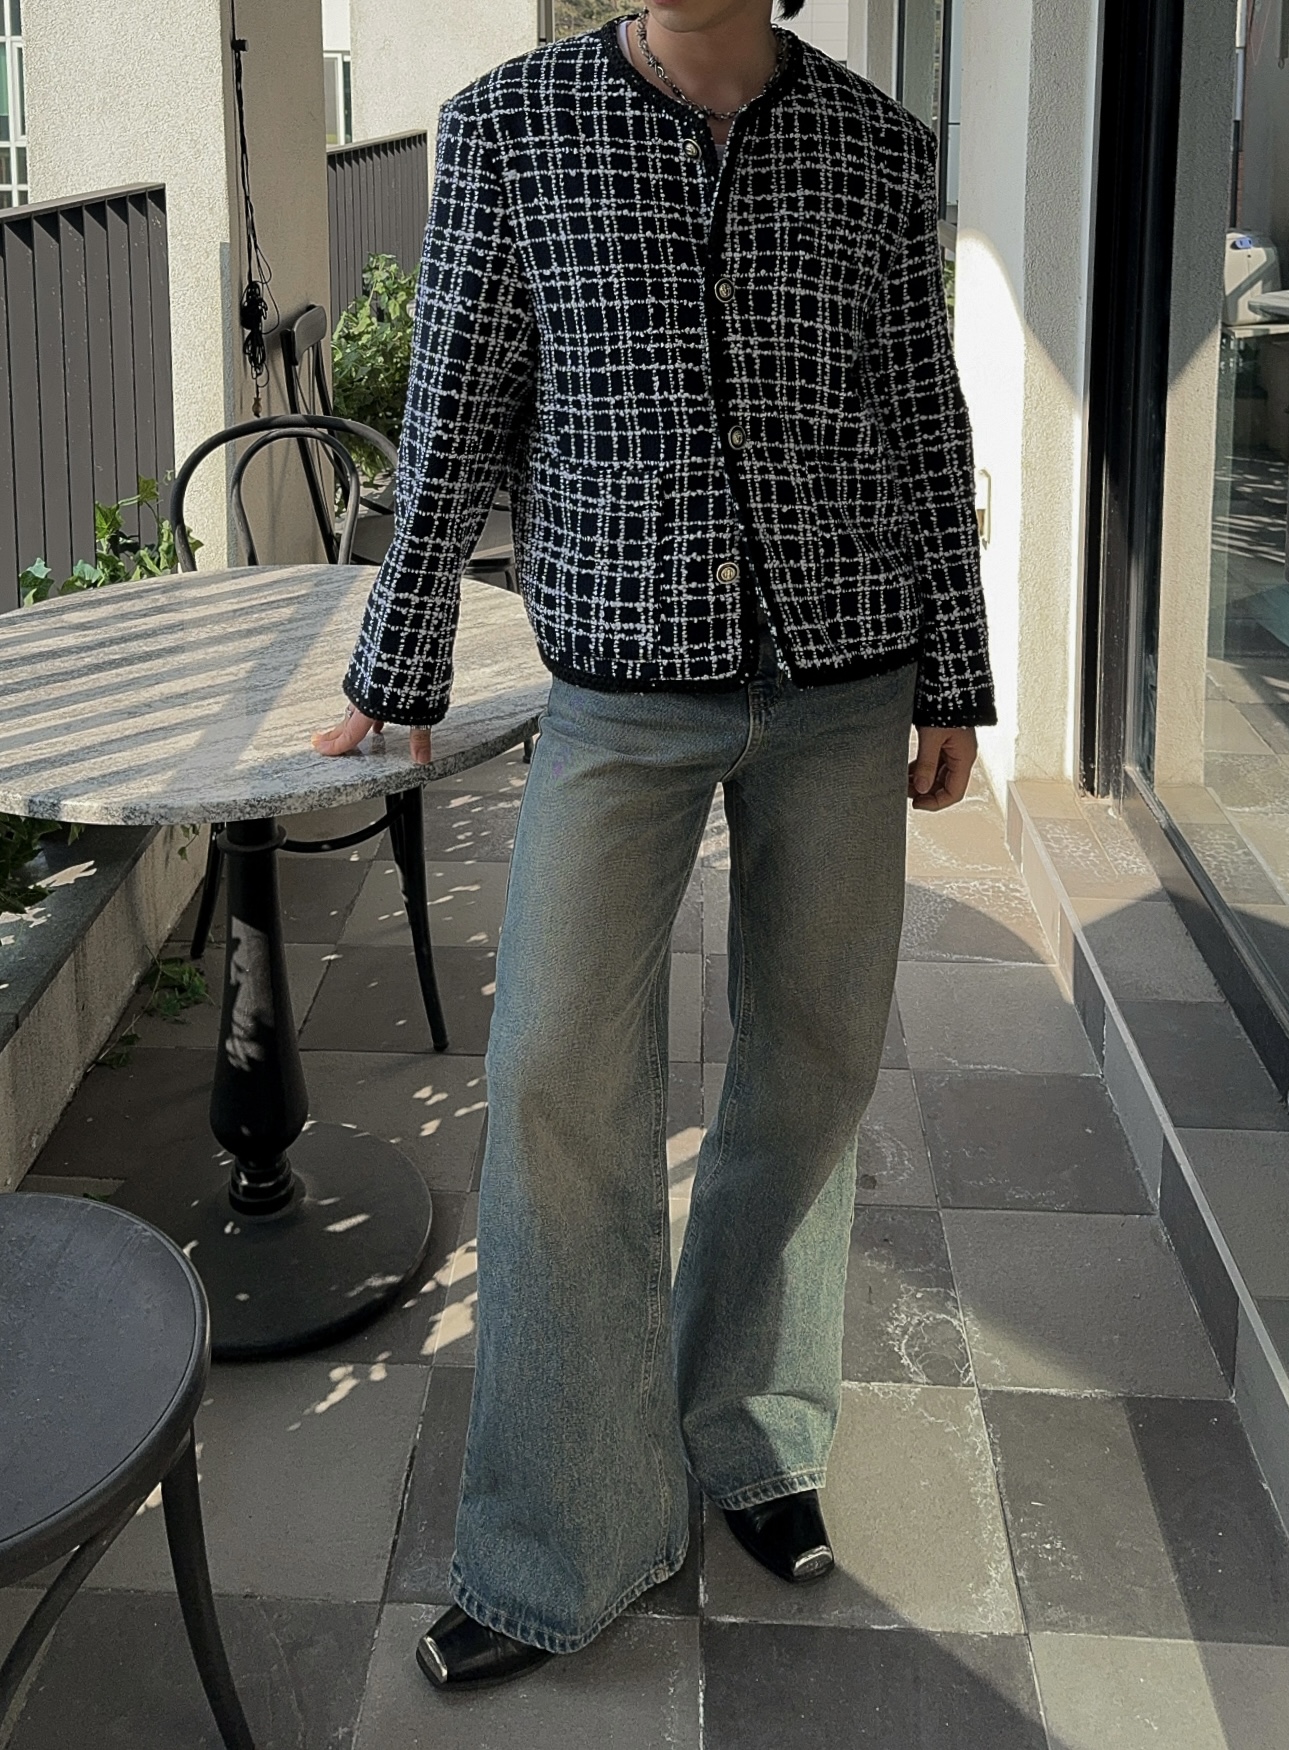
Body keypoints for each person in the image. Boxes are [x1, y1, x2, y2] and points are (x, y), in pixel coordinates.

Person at [313, 0, 995, 1694]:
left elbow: (921, 415)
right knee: (554, 1076)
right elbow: (458, 401)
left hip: (844, 676)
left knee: (814, 1062)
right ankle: (568, 1532)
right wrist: (397, 660)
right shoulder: (508, 126)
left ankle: (753, 1432)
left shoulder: (877, 147)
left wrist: (955, 677)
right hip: (618, 689)